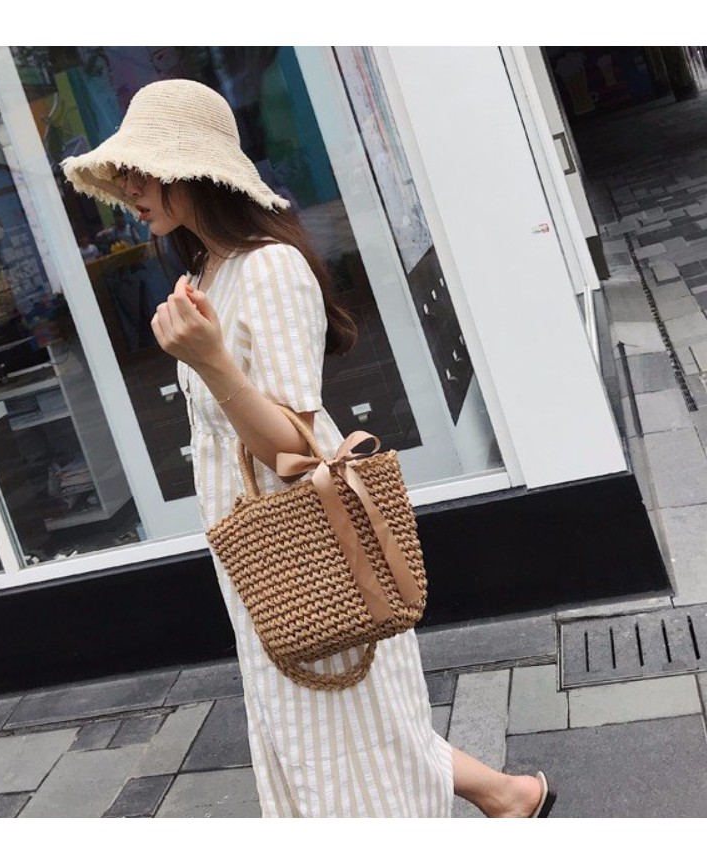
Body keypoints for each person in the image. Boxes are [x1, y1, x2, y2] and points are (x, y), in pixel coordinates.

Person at [62, 78, 556, 819]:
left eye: (144, 168)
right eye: (124, 171)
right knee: (335, 726)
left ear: (193, 169)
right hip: (258, 545)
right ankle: (509, 797)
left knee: (340, 736)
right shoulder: (206, 272)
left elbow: (294, 447)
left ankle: (502, 798)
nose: (129, 187)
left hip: (306, 537)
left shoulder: (268, 268)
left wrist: (209, 361)